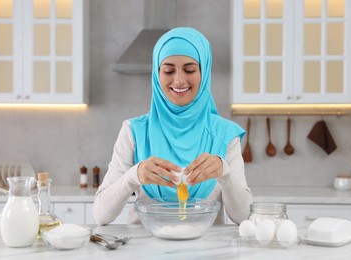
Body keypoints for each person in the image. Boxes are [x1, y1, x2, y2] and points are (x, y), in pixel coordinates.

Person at [93, 27, 252, 225]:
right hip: (143, 250)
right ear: (157, 74)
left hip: (207, 252)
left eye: (190, 69)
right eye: (168, 70)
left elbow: (244, 217)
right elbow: (100, 216)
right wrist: (133, 176)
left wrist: (225, 173)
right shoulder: (134, 131)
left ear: (204, 71)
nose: (179, 80)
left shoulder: (225, 134)